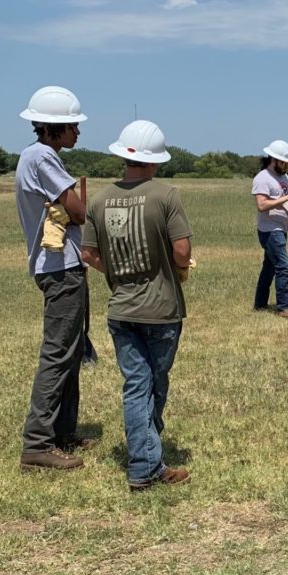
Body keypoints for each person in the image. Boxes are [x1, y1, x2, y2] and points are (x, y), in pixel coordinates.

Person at [80, 120, 194, 492]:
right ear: (154, 160)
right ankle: (144, 465)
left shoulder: (97, 200)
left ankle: (147, 456)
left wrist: (115, 270)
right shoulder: (166, 195)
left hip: (121, 310)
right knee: (154, 386)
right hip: (161, 309)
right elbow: (182, 250)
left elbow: (89, 254)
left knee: (136, 386)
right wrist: (179, 270)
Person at [15, 85, 92, 472]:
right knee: (59, 353)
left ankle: (62, 432)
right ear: (50, 128)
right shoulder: (43, 157)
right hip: (60, 270)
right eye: (71, 126)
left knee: (72, 351)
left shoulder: (41, 156)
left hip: (64, 267)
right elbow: (78, 212)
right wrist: (77, 204)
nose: (77, 132)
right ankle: (37, 444)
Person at [252, 139, 288, 318]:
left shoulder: (284, 177)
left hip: (280, 228)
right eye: (284, 162)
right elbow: (261, 205)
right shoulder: (262, 178)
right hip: (269, 230)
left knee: (269, 267)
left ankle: (260, 304)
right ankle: (283, 307)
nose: (286, 166)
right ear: (274, 160)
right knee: (283, 265)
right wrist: (286, 198)